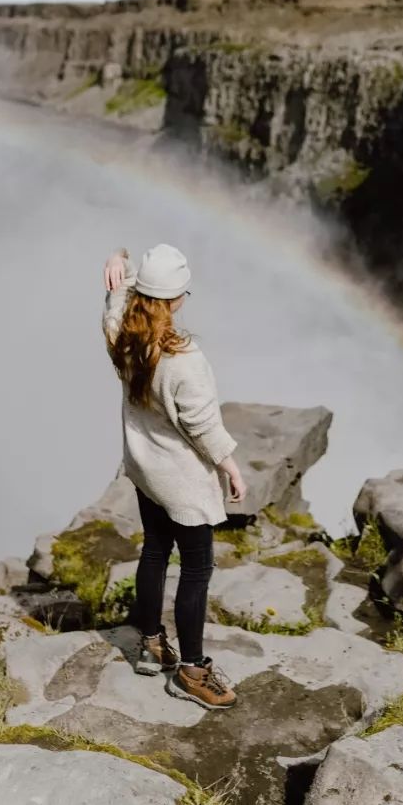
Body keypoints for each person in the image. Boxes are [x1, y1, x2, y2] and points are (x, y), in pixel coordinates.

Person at [102, 243, 245, 710]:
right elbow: (201, 425)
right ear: (178, 299)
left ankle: (150, 643)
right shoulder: (184, 360)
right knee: (197, 570)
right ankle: (193, 670)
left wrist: (118, 269)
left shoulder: (122, 333)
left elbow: (114, 303)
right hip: (180, 480)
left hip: (144, 469)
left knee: (156, 551)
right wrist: (229, 465)